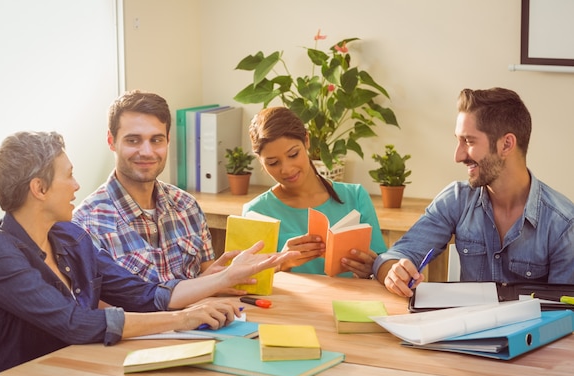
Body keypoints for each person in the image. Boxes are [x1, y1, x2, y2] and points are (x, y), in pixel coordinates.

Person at [0, 131, 297, 376]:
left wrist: (221, 280)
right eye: (67, 175)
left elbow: (141, 293)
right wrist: (183, 318)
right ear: (39, 189)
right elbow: (74, 324)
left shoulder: (70, 237)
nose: (76, 185)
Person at [374, 87, 574, 297]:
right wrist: (394, 272)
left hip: (532, 331)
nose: (458, 156)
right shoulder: (457, 199)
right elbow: (394, 256)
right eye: (458, 140)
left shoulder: (563, 224)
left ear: (506, 144)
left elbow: (565, 312)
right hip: (465, 328)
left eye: (468, 141)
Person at [73, 90, 220, 285]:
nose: (147, 152)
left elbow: (209, 277)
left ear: (168, 139)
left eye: (156, 140)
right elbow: (99, 311)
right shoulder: (86, 224)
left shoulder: (187, 206)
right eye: (133, 140)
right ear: (111, 141)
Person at [242, 106, 387, 277]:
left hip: (348, 302)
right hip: (288, 304)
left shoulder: (355, 196)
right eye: (273, 163)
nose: (286, 169)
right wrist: (282, 263)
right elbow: (246, 282)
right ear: (260, 161)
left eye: (293, 154)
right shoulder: (256, 212)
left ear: (307, 140)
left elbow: (381, 266)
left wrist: (372, 270)